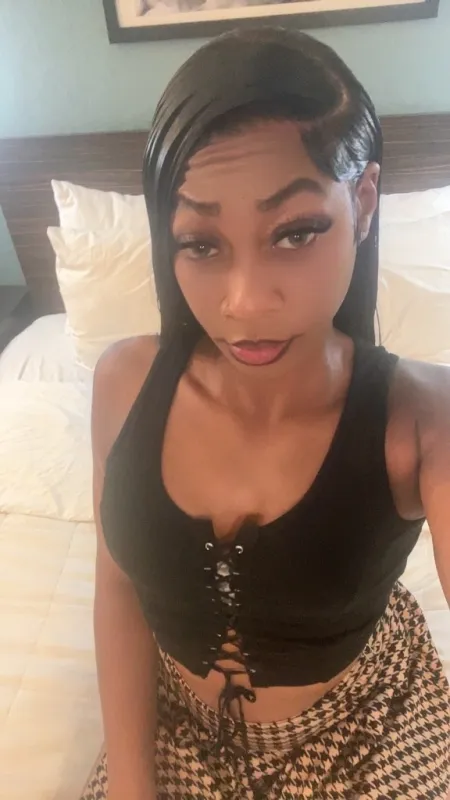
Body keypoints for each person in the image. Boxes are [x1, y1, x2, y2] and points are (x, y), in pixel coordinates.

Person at [82, 27, 450, 800]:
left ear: (364, 202)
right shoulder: (123, 384)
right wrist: (133, 786)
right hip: (176, 727)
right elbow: (119, 588)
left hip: (365, 729)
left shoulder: (423, 422)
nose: (245, 303)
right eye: (201, 243)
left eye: (295, 232)